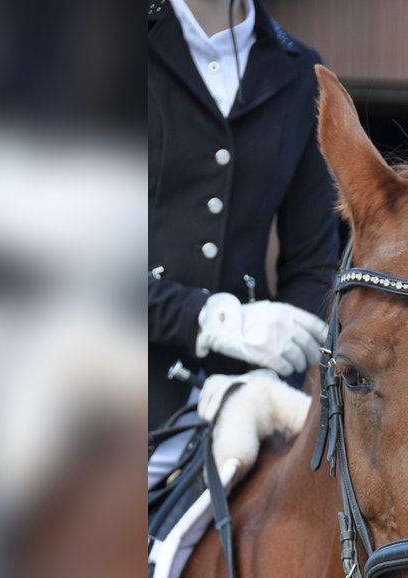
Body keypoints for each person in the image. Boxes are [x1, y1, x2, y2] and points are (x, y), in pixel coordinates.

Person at [147, 0, 338, 484]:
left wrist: (270, 383)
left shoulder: (298, 73)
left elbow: (313, 266)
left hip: (242, 401)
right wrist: (212, 319)